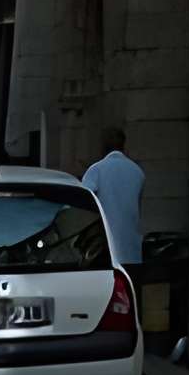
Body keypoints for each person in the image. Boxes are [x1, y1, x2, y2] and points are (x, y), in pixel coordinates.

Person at [80, 128, 144, 300]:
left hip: (105, 251)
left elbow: (83, 202)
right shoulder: (137, 171)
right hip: (132, 251)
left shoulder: (96, 170)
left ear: (103, 146)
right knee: (131, 300)